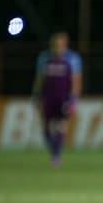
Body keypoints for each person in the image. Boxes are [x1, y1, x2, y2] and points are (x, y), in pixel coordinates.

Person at [32, 31, 82, 165]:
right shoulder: (44, 58)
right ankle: (54, 151)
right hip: (48, 97)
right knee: (46, 127)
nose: (58, 47)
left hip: (64, 98)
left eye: (61, 44)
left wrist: (73, 99)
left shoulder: (72, 58)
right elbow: (40, 79)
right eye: (55, 44)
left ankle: (56, 155)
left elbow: (76, 80)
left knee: (61, 126)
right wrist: (36, 94)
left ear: (65, 45)